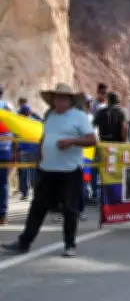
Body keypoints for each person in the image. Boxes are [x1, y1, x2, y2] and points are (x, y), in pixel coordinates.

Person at [2, 83, 97, 257]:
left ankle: (70, 244)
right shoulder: (50, 115)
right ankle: (24, 242)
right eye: (56, 98)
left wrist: (71, 142)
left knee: (69, 209)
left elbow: (92, 140)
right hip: (48, 169)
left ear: (70, 100)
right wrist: (39, 159)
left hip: (70, 170)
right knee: (37, 206)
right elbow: (44, 137)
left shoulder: (79, 117)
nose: (58, 101)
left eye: (62, 98)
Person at [0, 120, 13, 225]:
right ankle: (2, 216)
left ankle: (2, 215)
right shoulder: (8, 120)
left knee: (3, 185)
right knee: (3, 185)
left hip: (3, 157)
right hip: (5, 156)